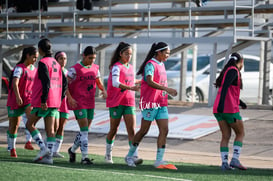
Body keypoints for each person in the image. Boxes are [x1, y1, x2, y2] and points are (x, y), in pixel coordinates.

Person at [125, 42, 178, 170]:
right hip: (150, 102)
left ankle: (159, 160)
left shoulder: (161, 64)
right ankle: (130, 155)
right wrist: (167, 89)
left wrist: (166, 92)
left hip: (161, 103)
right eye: (166, 53)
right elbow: (149, 81)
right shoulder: (150, 64)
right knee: (144, 131)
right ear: (159, 52)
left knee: (164, 130)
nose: (167, 55)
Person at [26, 38, 67, 164]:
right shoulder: (56, 63)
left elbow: (46, 82)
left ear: (40, 49)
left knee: (29, 125)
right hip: (55, 102)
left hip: (44, 101)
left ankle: (43, 149)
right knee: (51, 131)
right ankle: (49, 158)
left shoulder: (44, 62)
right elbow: (65, 83)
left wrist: (43, 100)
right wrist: (59, 98)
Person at [67, 46, 107, 165]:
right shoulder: (74, 69)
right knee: (84, 131)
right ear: (83, 55)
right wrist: (70, 98)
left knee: (85, 130)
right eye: (90, 58)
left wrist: (103, 90)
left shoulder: (95, 68)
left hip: (90, 101)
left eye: (94, 58)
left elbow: (98, 82)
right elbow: (65, 84)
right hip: (78, 102)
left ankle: (72, 149)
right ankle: (85, 157)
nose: (92, 60)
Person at [105, 42, 142, 164]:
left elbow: (130, 80)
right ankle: (108, 154)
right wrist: (131, 88)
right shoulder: (116, 67)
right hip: (116, 102)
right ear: (120, 54)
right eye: (126, 53)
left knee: (131, 130)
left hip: (129, 101)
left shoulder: (130, 67)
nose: (129, 56)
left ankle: (133, 156)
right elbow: (116, 83)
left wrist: (142, 81)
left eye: (130, 54)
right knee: (113, 130)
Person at [213, 52, 247, 171]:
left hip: (218, 109)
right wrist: (223, 104)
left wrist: (241, 103)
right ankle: (235, 160)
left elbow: (229, 91)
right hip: (228, 109)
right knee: (240, 133)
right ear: (241, 61)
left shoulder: (227, 70)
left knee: (226, 135)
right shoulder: (233, 70)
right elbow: (226, 87)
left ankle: (224, 163)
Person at [6, 46, 38, 157]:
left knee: (31, 121)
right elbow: (15, 83)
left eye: (37, 57)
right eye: (34, 57)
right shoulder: (19, 68)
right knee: (14, 125)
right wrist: (18, 97)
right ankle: (12, 148)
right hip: (16, 100)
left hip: (29, 100)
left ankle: (40, 146)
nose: (35, 60)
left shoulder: (35, 69)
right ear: (27, 56)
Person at [52, 51, 69, 158]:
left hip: (65, 102)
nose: (63, 61)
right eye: (61, 59)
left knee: (62, 127)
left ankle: (56, 150)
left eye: (65, 59)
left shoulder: (68, 72)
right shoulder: (53, 71)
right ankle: (48, 147)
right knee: (54, 126)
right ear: (56, 60)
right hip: (55, 101)